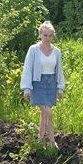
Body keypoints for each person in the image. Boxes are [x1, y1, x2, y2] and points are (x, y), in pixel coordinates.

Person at [20, 21, 65, 149]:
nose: (47, 38)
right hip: (37, 84)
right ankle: (52, 141)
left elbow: (59, 70)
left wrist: (60, 88)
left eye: (50, 36)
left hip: (51, 84)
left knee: (45, 114)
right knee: (47, 111)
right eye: (45, 35)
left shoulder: (56, 51)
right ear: (40, 34)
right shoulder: (33, 49)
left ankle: (41, 140)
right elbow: (28, 69)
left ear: (53, 36)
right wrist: (26, 89)